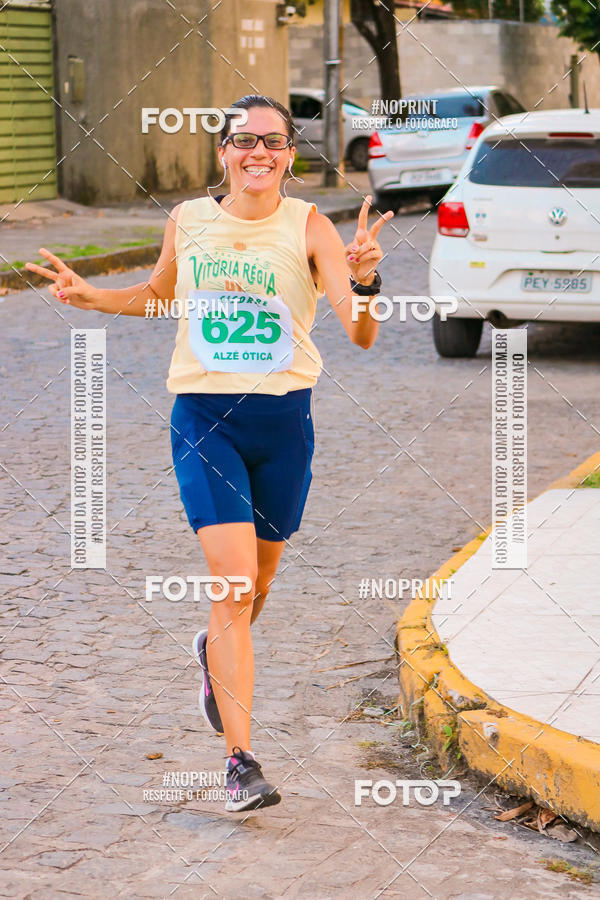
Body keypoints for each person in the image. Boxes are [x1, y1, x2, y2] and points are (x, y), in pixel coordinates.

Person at [25, 94, 393, 813]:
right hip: (204, 420)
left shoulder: (311, 226)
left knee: (255, 590)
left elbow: (361, 334)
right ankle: (241, 763)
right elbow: (161, 295)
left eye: (275, 142)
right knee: (230, 587)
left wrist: (369, 280)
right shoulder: (189, 220)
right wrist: (93, 297)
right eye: (245, 141)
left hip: (285, 426)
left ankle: (211, 654)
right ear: (222, 152)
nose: (260, 152)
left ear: (291, 154)